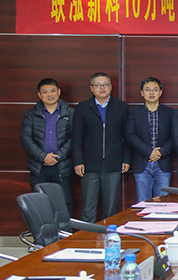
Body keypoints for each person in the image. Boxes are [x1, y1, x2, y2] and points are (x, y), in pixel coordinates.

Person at [72, 72, 130, 222]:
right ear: (92, 88)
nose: (102, 88)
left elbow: (127, 136)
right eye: (98, 85)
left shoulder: (121, 107)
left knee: (111, 208)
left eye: (105, 84)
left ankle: (108, 236)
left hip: (113, 164)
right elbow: (77, 137)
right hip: (89, 165)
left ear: (111, 87)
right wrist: (78, 161)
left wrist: (126, 159)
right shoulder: (83, 108)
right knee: (88, 207)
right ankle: (87, 236)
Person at [21, 78, 74, 214]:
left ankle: (64, 229)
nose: (49, 95)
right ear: (39, 95)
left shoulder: (70, 113)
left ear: (59, 92)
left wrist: (58, 156)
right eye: (45, 92)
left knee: (64, 203)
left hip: (62, 166)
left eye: (52, 91)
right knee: (39, 205)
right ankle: (44, 229)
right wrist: (43, 156)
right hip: (39, 166)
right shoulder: (31, 114)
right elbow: (26, 138)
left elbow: (74, 137)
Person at [126, 77, 174, 202]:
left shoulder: (170, 113)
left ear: (160, 92)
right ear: (142, 93)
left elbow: (175, 136)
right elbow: (130, 135)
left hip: (163, 163)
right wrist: (149, 152)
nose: (151, 93)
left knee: (163, 202)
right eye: (147, 90)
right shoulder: (133, 113)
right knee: (143, 202)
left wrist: (161, 152)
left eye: (155, 90)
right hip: (142, 163)